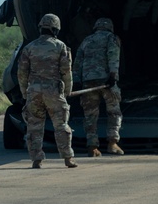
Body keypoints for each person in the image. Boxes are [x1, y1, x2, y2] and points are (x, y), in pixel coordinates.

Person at [17, 13, 77, 169]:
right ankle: (67, 157)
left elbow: (22, 73)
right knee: (61, 125)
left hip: (34, 91)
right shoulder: (60, 46)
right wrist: (68, 91)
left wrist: (25, 92)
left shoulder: (29, 47)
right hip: (54, 91)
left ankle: (36, 159)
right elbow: (66, 71)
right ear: (56, 29)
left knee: (34, 126)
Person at [73, 17, 124, 156]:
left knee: (90, 115)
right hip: (106, 80)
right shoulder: (111, 38)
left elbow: (77, 61)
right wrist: (113, 75)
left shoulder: (86, 40)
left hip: (88, 81)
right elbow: (113, 55)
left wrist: (76, 80)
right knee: (114, 112)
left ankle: (92, 146)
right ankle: (112, 143)